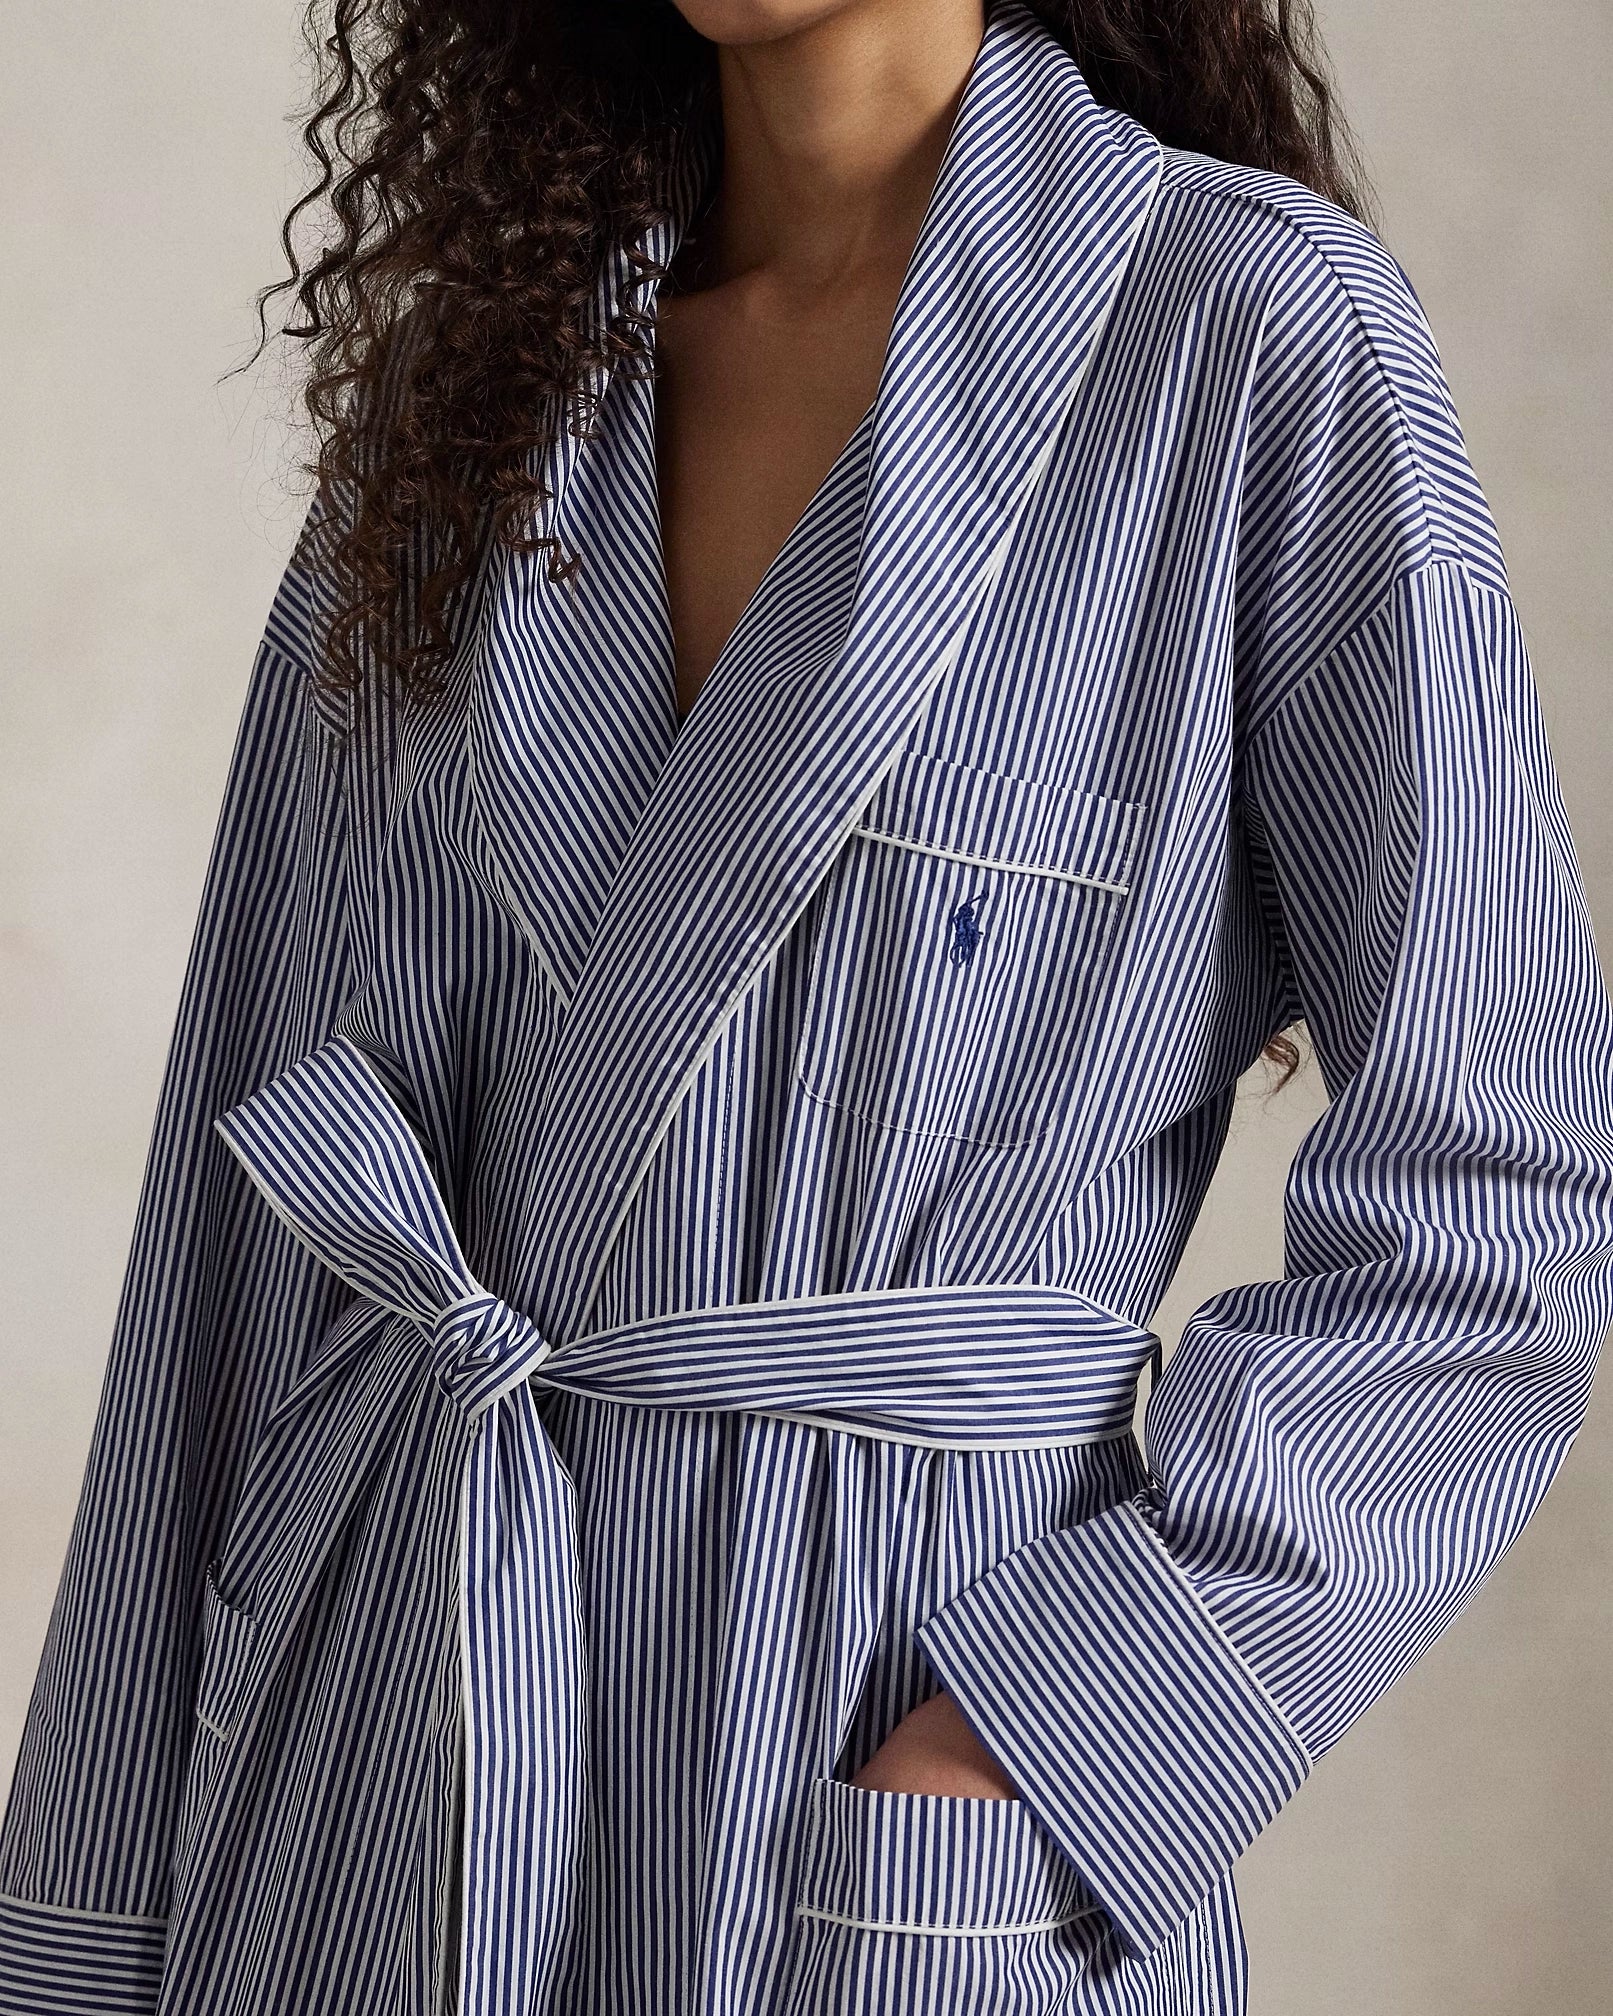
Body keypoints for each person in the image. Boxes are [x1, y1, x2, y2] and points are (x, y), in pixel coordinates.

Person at [3, 0, 1611, 2011]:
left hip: (872, 1791)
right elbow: (232, 1246)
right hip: (379, 1782)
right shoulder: (472, 394)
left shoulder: (1243, 340)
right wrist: (80, 1944)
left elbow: (1502, 1197)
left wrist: (1060, 1735)